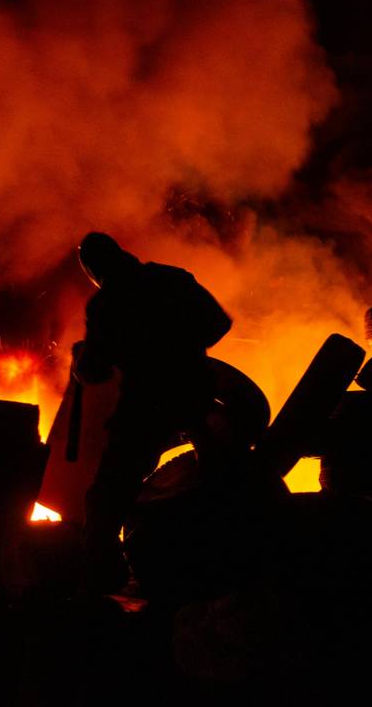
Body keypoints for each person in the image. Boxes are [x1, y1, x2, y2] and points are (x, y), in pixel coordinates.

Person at [75, 232, 231, 592]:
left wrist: (87, 359)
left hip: (147, 405)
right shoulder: (174, 279)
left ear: (94, 271)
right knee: (216, 473)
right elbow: (219, 325)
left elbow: (94, 372)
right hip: (197, 395)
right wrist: (183, 346)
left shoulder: (107, 303)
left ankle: (101, 583)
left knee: (107, 496)